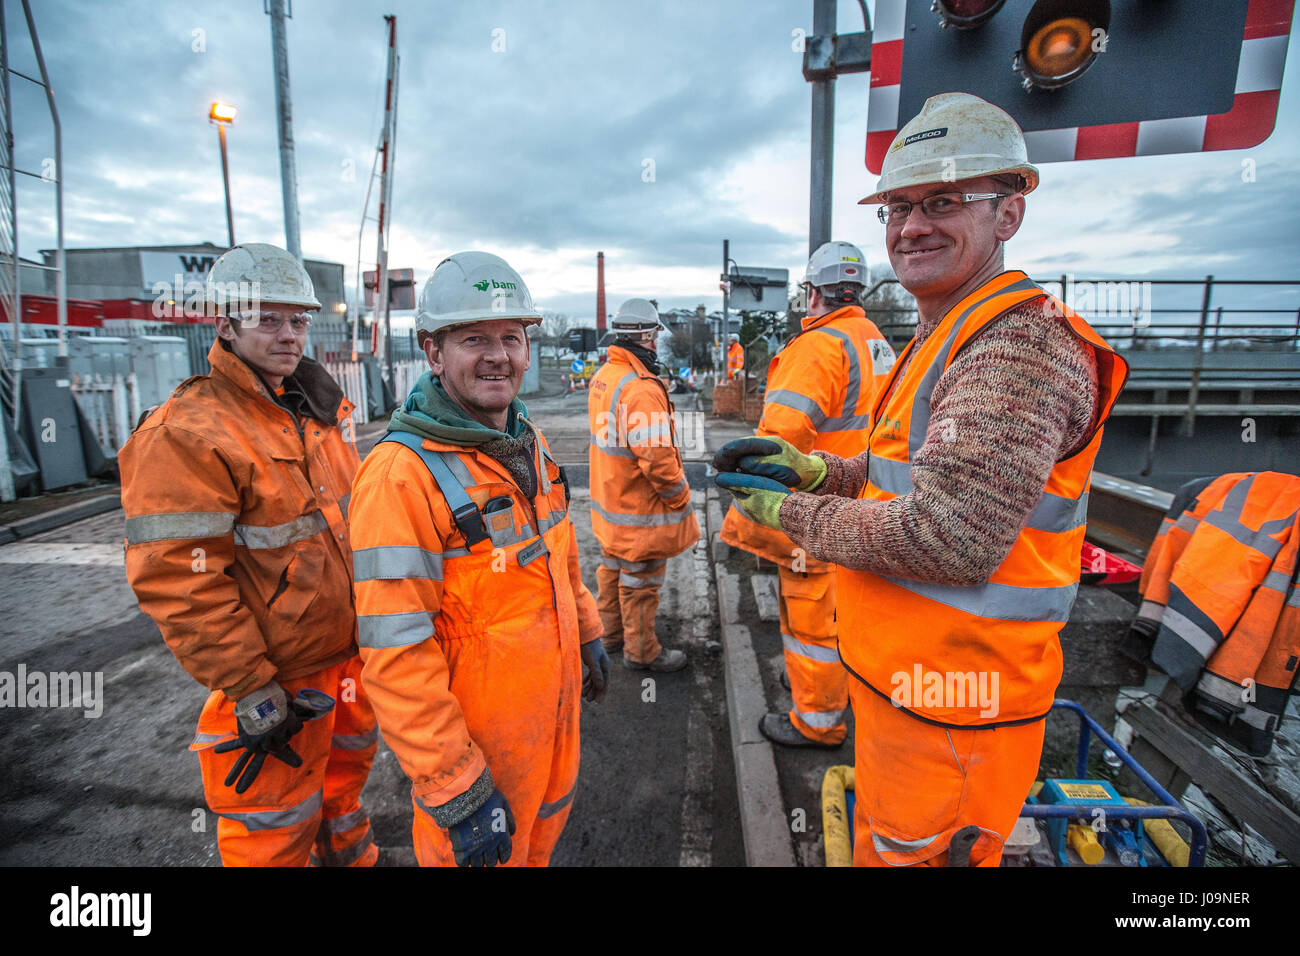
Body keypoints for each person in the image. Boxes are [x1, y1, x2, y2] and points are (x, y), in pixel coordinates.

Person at [716, 92, 1129, 866]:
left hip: (956, 717)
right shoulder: (951, 331)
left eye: (944, 201)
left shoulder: (1017, 349)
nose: (911, 226)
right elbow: (908, 481)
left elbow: (949, 538)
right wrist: (822, 473)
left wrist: (789, 511)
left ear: (1009, 214)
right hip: (907, 691)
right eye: (898, 207)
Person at [121, 242, 378, 867]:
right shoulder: (188, 432)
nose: (288, 335)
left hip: (346, 660)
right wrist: (249, 685)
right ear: (226, 324)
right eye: (268, 319)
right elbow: (182, 582)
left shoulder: (315, 414)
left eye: (297, 320)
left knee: (343, 782)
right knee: (272, 822)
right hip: (279, 679)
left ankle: (351, 858)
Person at [349, 251, 608, 867]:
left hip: (548, 724)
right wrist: (454, 786)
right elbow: (395, 650)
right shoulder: (399, 477)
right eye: (474, 339)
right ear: (434, 353)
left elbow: (560, 555)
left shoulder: (526, 440)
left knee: (538, 845)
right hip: (477, 756)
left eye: (511, 338)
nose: (499, 356)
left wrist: (590, 628)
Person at [720, 241, 894, 748]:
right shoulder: (876, 340)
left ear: (812, 293)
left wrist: (747, 517)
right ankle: (822, 691)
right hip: (868, 505)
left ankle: (816, 721)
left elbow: (777, 445)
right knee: (846, 619)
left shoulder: (819, 346)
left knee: (811, 626)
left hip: (817, 512)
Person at [588, 298, 699, 671]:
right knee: (640, 584)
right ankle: (642, 652)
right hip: (640, 513)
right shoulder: (641, 389)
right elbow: (657, 460)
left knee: (610, 572)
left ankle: (610, 637)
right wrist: (680, 497)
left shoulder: (604, 377)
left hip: (611, 507)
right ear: (649, 336)